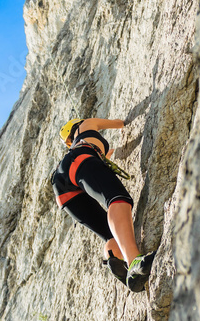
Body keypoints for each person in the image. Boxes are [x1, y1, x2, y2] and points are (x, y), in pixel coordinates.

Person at [51, 117, 156, 292]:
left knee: (110, 235)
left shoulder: (77, 144)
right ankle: (134, 262)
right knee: (117, 198)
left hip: (62, 187)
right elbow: (119, 123)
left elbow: (98, 160)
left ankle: (115, 259)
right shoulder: (86, 125)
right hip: (79, 161)